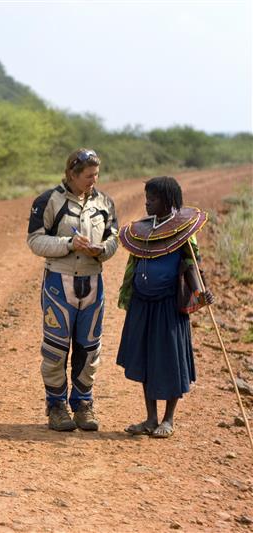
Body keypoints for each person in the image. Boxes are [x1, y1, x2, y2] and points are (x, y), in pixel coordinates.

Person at [27, 148, 119, 431]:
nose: (94, 179)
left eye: (97, 175)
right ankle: (56, 407)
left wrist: (100, 250)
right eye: (89, 175)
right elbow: (34, 241)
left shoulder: (105, 202)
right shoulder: (48, 201)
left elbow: (113, 238)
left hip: (93, 282)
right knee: (55, 349)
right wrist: (68, 244)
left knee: (89, 348)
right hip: (59, 282)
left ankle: (83, 405)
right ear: (72, 174)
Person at [116, 176, 214, 439]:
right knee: (147, 359)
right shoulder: (143, 230)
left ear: (169, 201)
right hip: (143, 304)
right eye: (146, 197)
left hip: (168, 307)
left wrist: (199, 292)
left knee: (169, 360)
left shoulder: (183, 232)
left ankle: (168, 419)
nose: (147, 203)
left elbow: (191, 266)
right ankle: (150, 418)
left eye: (153, 199)